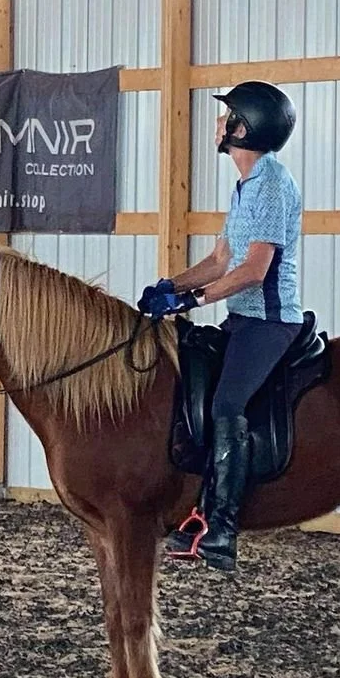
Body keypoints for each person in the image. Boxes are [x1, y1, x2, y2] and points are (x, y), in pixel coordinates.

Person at [138, 80, 302, 572]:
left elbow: (254, 271)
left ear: (242, 127)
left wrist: (193, 299)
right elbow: (220, 258)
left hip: (269, 322)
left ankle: (222, 530)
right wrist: (169, 284)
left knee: (229, 404)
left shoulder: (271, 183)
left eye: (225, 115)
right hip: (241, 319)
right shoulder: (246, 184)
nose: (217, 123)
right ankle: (194, 509)